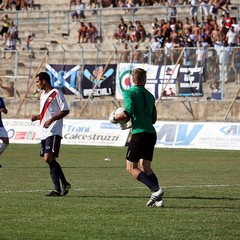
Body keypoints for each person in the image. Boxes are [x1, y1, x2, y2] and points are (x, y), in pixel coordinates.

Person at [110, 68, 164, 207]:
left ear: (132, 79)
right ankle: (158, 200)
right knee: (145, 166)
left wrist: (114, 118)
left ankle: (156, 190)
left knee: (130, 167)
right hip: (151, 134)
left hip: (139, 134)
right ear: (144, 80)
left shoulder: (129, 93)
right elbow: (153, 119)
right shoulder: (150, 95)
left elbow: (127, 113)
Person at [31, 72, 71, 197]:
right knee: (49, 160)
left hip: (54, 131)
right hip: (44, 131)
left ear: (44, 81)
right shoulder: (42, 95)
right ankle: (57, 189)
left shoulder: (56, 93)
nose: (36, 84)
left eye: (37, 81)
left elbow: (65, 110)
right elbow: (47, 113)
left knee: (48, 158)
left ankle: (64, 183)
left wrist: (51, 120)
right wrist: (38, 117)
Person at [0, 96, 9, 168]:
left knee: (6, 141)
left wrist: (4, 110)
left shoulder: (0, 99)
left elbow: (6, 111)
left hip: (0, 125)